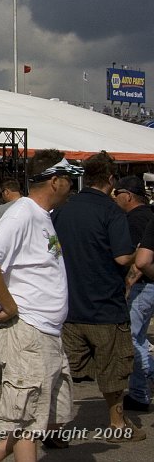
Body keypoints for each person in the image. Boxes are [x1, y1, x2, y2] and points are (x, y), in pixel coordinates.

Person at [0, 151, 79, 462]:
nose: (72, 186)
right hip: (29, 330)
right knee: (27, 419)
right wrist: (10, 306)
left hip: (45, 331)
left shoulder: (39, 215)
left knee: (43, 414)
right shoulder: (23, 214)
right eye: (69, 180)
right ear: (55, 181)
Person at [52, 151, 143, 440]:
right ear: (111, 179)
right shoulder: (111, 211)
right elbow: (122, 257)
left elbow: (51, 251)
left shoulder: (63, 209)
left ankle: (55, 428)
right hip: (105, 305)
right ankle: (117, 424)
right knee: (114, 370)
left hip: (68, 305)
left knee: (63, 371)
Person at [114, 174, 154, 411]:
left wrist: (128, 285)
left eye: (116, 194)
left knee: (132, 339)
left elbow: (140, 260)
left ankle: (139, 393)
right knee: (138, 338)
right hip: (147, 286)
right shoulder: (149, 215)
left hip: (143, 286)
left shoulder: (135, 220)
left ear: (127, 195)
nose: (114, 198)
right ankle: (140, 391)